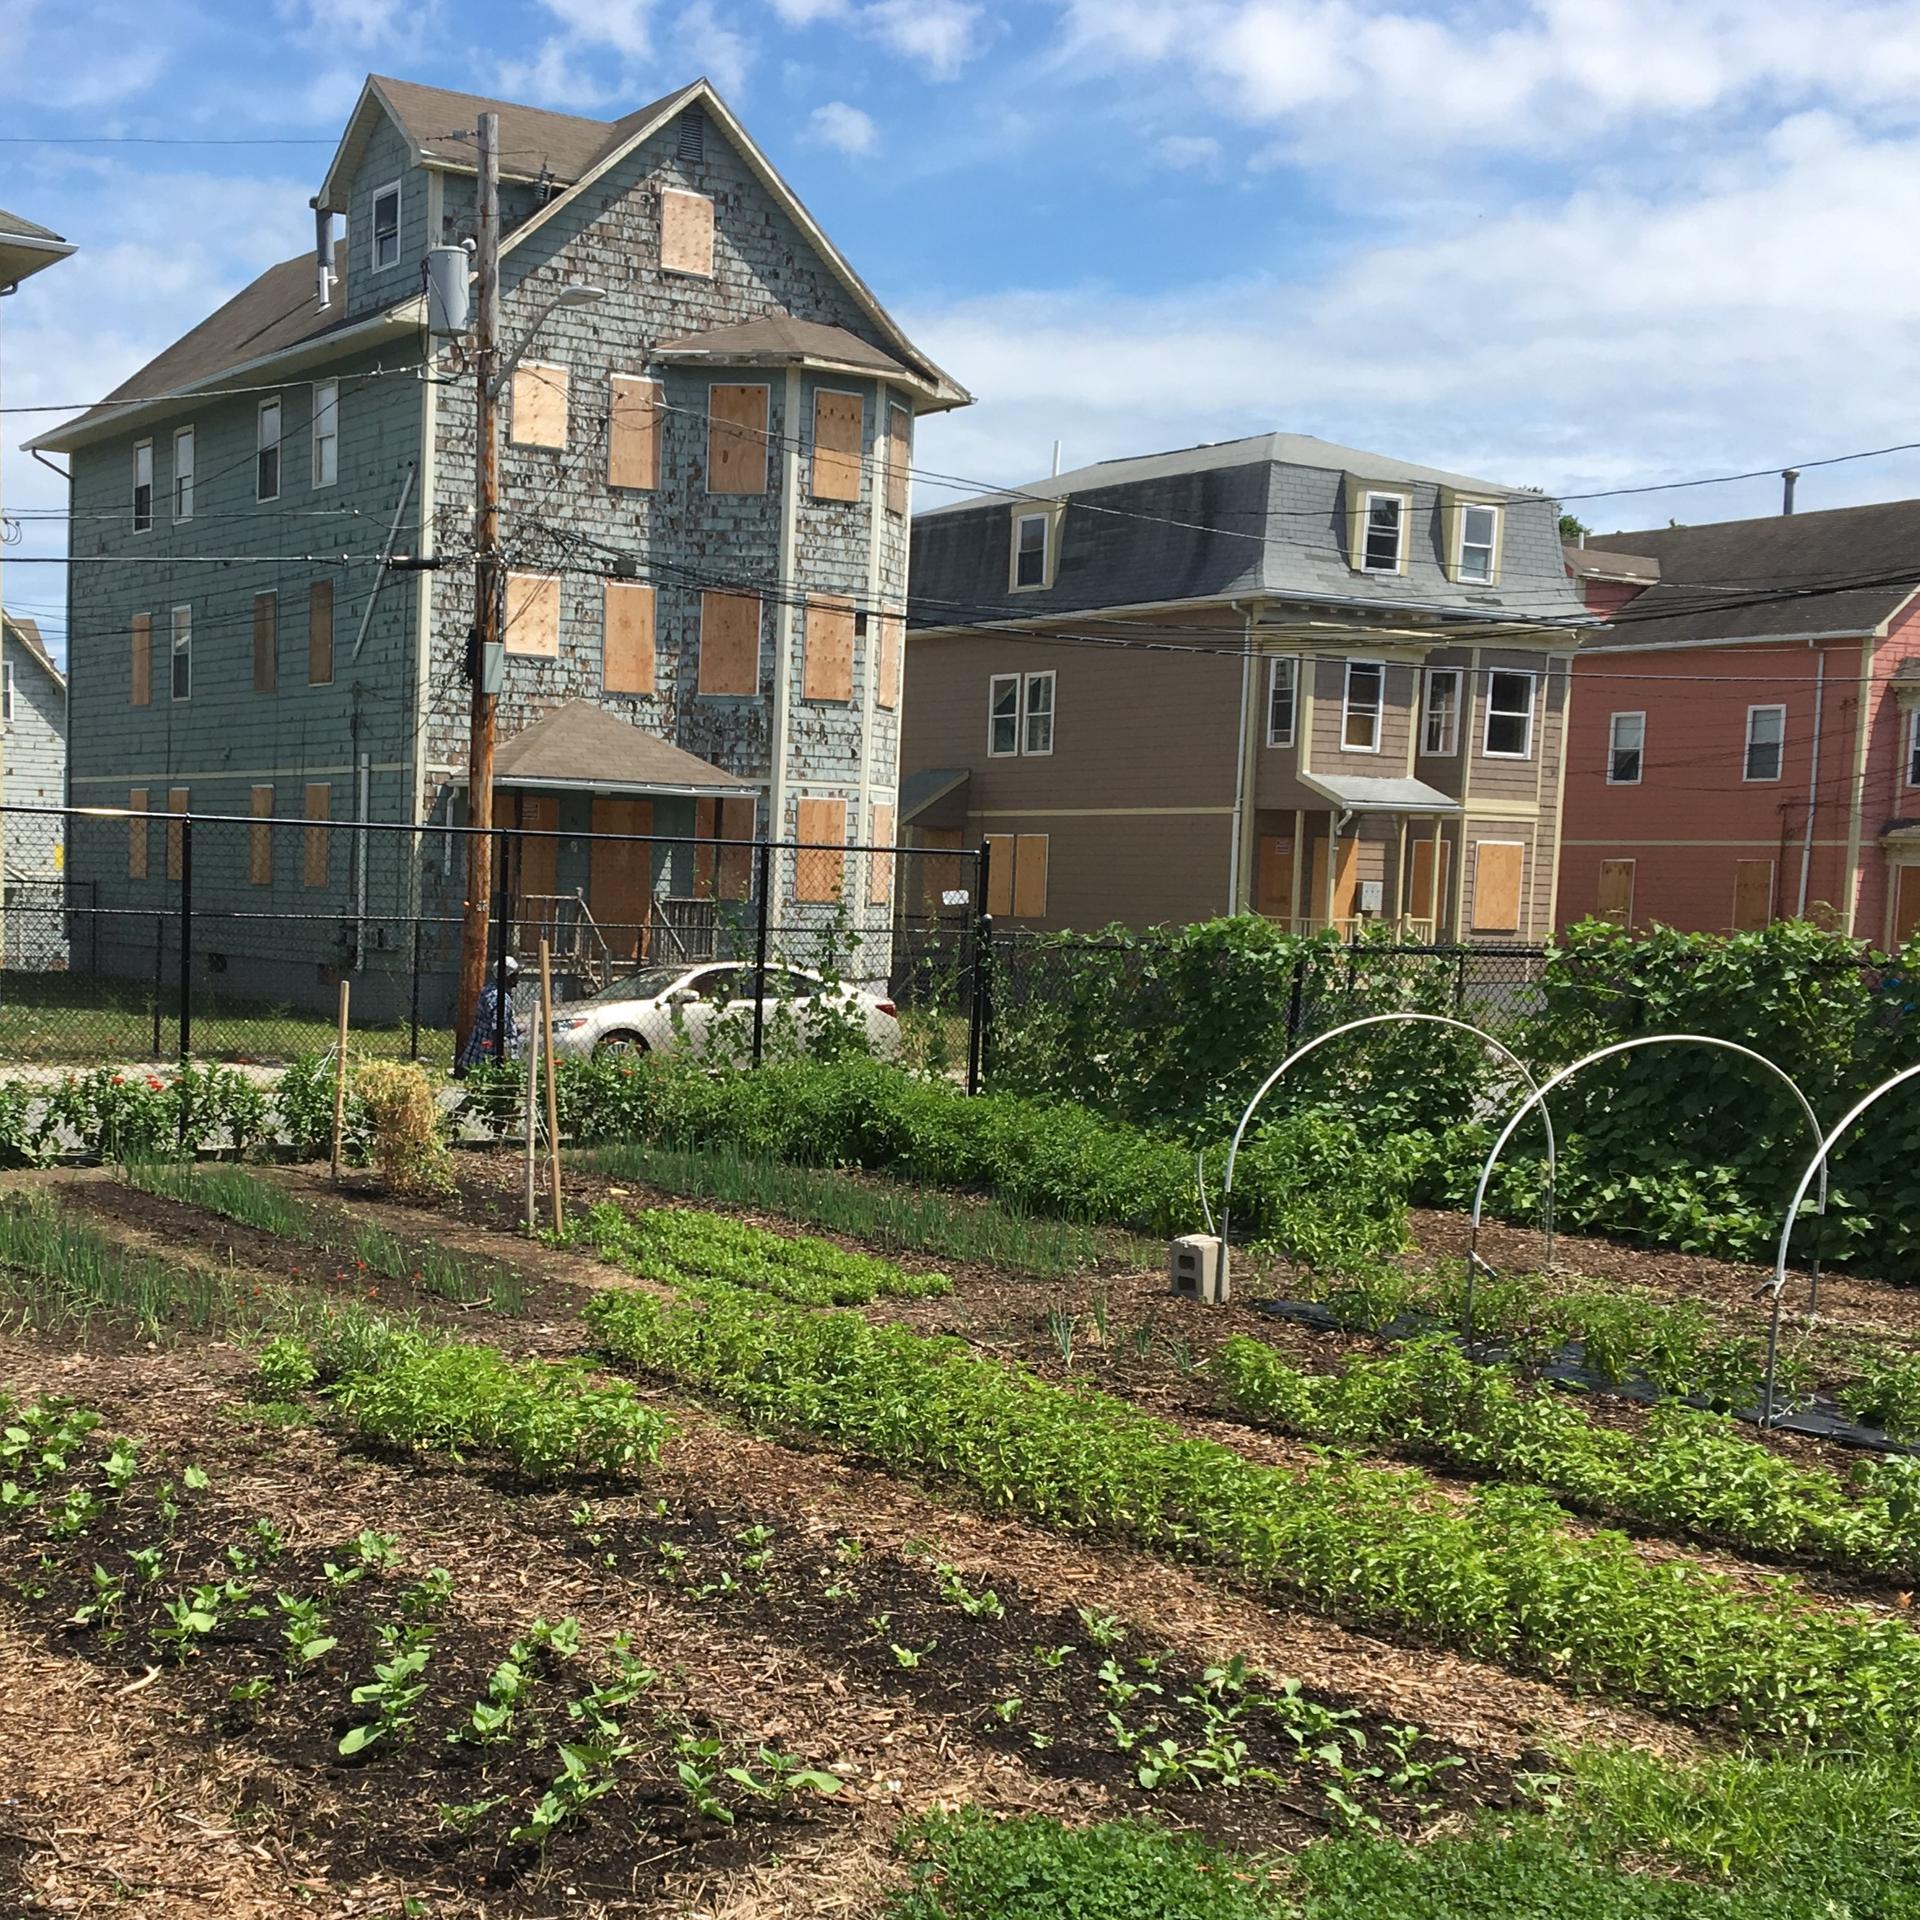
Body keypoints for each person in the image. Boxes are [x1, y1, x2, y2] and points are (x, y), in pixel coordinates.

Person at [455, 955, 521, 1075]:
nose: (517, 979)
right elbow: (498, 1030)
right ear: (506, 977)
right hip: (491, 1051)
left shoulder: (488, 990)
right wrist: (503, 1056)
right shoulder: (501, 999)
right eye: (514, 975)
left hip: (478, 1048)